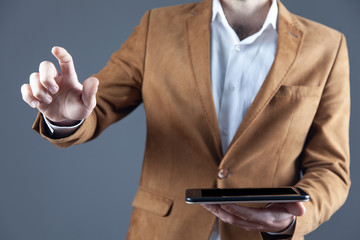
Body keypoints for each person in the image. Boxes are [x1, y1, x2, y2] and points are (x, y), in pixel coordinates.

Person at [20, 0, 350, 239]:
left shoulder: (326, 46)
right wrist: (67, 118)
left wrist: (294, 219)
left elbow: (331, 169)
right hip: (162, 231)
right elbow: (97, 105)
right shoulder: (157, 26)